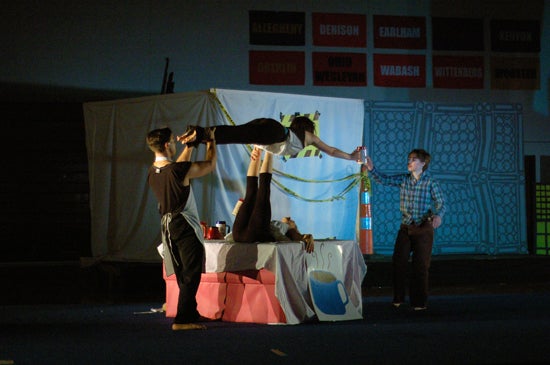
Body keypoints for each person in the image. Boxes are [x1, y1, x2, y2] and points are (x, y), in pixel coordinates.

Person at [146, 126, 216, 330]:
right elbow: (210, 165)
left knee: (182, 271)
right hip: (184, 225)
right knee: (190, 273)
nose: (176, 145)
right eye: (173, 142)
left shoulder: (152, 172)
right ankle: (182, 320)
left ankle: (191, 311)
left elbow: (177, 168)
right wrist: (210, 141)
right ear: (167, 145)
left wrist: (190, 146)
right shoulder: (177, 170)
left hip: (167, 226)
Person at [365, 149, 446, 311]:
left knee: (420, 266)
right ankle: (399, 297)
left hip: (423, 227)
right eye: (409, 159)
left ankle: (419, 302)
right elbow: (384, 179)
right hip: (406, 227)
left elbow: (441, 203)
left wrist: (438, 216)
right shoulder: (404, 179)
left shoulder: (430, 182)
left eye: (414, 160)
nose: (410, 162)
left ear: (423, 164)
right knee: (398, 262)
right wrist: (371, 168)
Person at [225, 146, 315, 253]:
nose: (290, 219)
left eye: (292, 221)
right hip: (245, 233)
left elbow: (300, 238)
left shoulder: (288, 229)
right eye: (291, 221)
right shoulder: (281, 226)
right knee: (254, 192)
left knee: (259, 192)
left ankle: (269, 148)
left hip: (250, 234)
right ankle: (261, 149)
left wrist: (307, 236)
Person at [178, 116, 361, 162]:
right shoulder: (309, 137)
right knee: (237, 134)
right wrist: (351, 157)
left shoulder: (268, 145)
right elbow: (331, 151)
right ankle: (199, 134)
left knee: (236, 134)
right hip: (275, 131)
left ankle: (197, 135)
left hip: (267, 128)